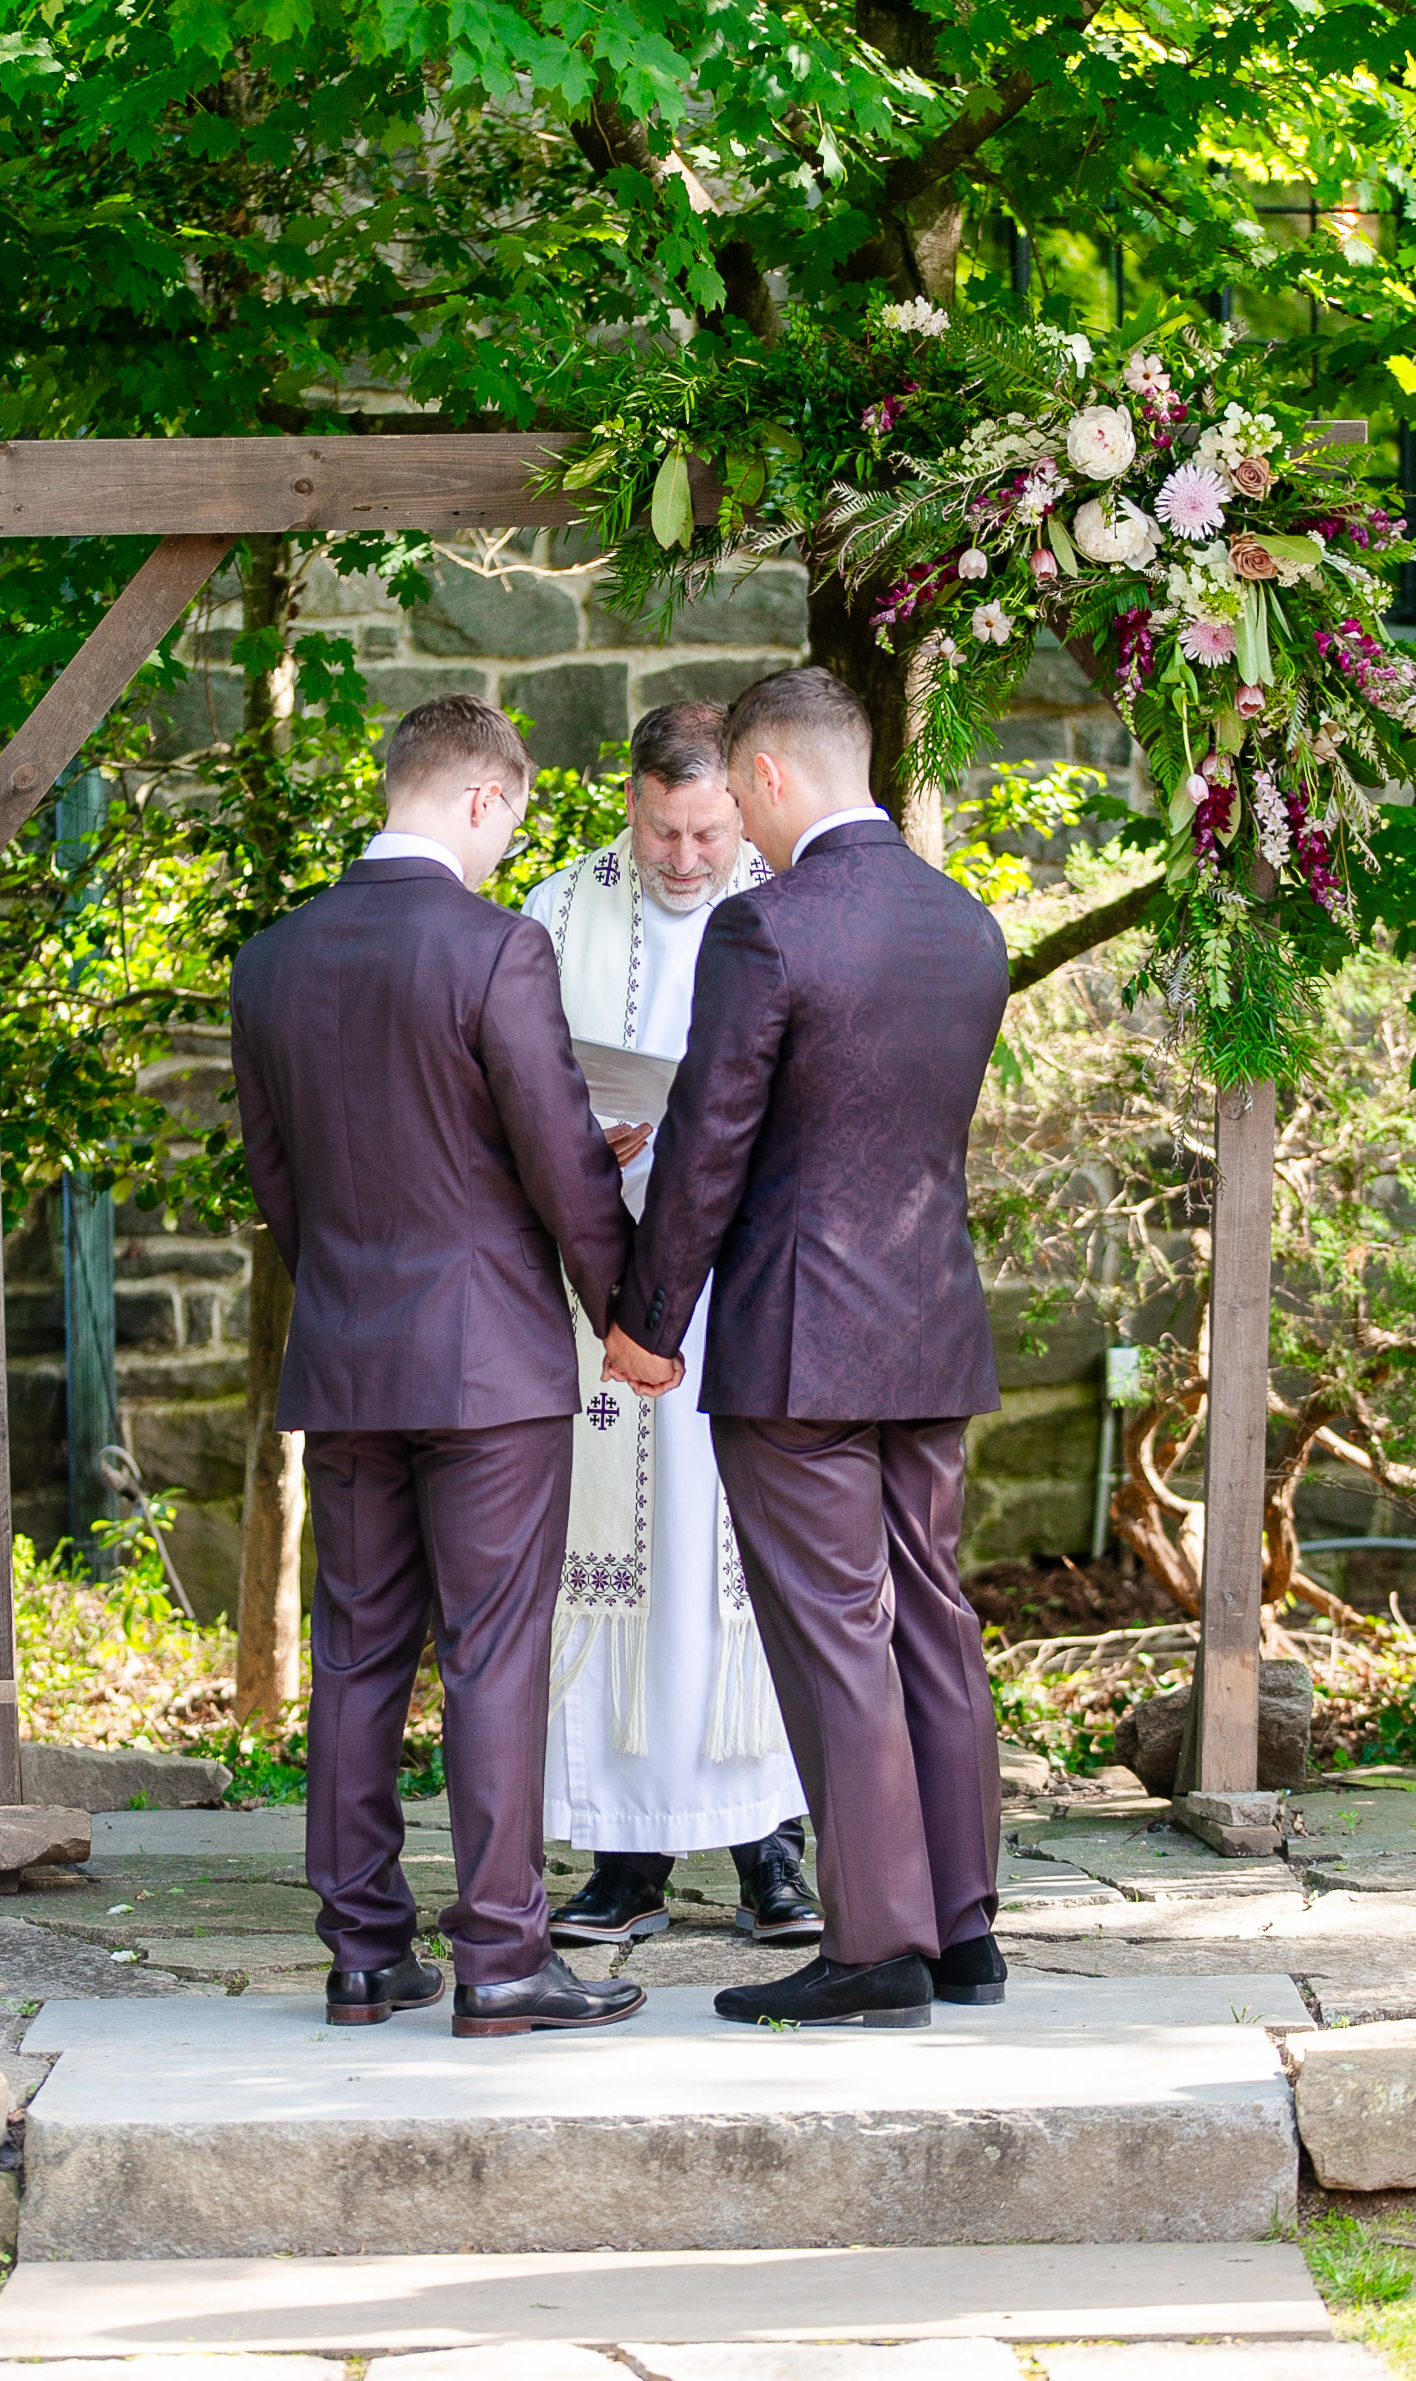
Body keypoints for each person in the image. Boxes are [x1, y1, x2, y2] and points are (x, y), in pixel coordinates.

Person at [230, 694, 646, 2040]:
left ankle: (360, 1954)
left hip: (348, 1355)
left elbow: (281, 1185)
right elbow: (554, 1160)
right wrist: (626, 1311)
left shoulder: (273, 961)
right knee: (490, 1658)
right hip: (486, 1372)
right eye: (507, 822)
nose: (500, 847)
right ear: (479, 799)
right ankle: (503, 1958)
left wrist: (354, 1291)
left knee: (354, 1657)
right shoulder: (495, 948)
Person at [605, 666, 1010, 2030]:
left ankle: (874, 1944)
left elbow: (706, 1153)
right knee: (932, 1620)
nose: (737, 835)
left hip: (796, 1340)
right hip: (930, 1324)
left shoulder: (764, 931)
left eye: (741, 803)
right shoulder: (964, 923)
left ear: (766, 777)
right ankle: (961, 1929)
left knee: (838, 1636)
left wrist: (646, 1324)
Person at [522, 702, 821, 1949]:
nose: (686, 857)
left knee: (741, 1562)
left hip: (738, 1280)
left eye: (706, 831)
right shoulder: (556, 905)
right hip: (599, 1283)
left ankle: (773, 1851)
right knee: (622, 1567)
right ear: (629, 802)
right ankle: (626, 1857)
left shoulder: (787, 898)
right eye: (662, 829)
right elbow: (513, 1071)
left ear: (740, 808)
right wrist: (574, 1134)